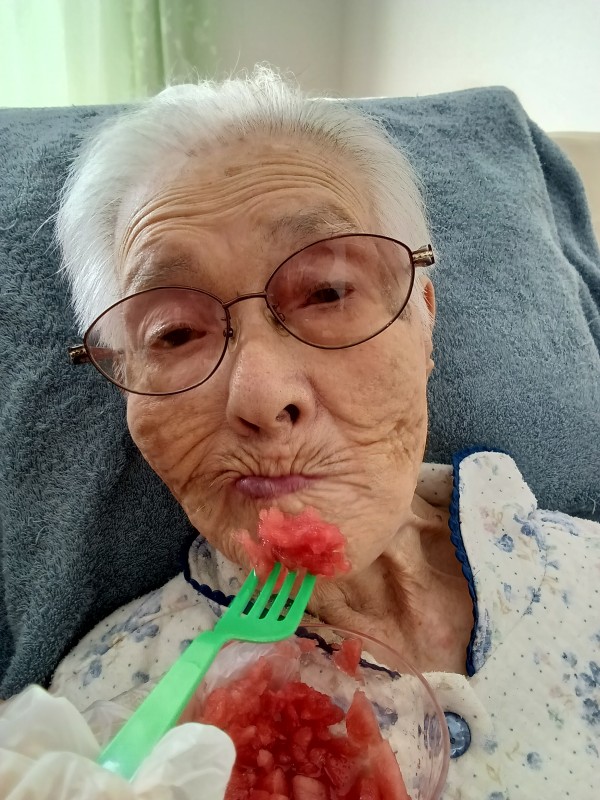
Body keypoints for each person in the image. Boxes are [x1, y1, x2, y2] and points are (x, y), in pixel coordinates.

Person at [3, 68, 598, 799]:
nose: (262, 396)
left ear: (423, 318)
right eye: (175, 332)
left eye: (327, 292)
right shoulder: (95, 720)